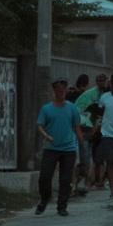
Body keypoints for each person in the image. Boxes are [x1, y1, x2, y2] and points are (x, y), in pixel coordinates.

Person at [36, 78, 85, 217]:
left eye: (63, 90)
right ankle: (44, 199)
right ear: (54, 91)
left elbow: (77, 127)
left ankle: (62, 206)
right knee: (45, 177)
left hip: (68, 148)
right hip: (51, 148)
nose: (61, 93)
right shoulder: (47, 109)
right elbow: (39, 125)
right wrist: (46, 135)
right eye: (59, 90)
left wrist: (82, 146)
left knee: (65, 179)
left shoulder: (72, 108)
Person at [74, 72, 109, 190]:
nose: (102, 83)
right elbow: (88, 112)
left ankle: (94, 181)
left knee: (97, 157)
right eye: (99, 81)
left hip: (98, 130)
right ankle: (81, 183)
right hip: (86, 129)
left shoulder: (106, 94)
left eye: (103, 80)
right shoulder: (91, 95)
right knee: (85, 157)